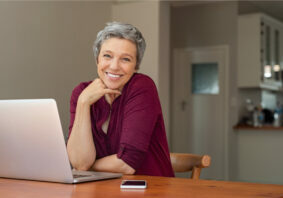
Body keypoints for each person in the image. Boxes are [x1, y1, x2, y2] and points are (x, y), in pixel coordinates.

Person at [67, 22, 174, 177]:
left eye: (125, 59)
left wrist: (87, 168)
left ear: (136, 66)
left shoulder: (142, 87)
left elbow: (127, 164)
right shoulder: (81, 93)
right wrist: (83, 103)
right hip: (103, 191)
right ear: (97, 59)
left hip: (151, 189)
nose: (114, 66)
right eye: (107, 56)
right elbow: (79, 162)